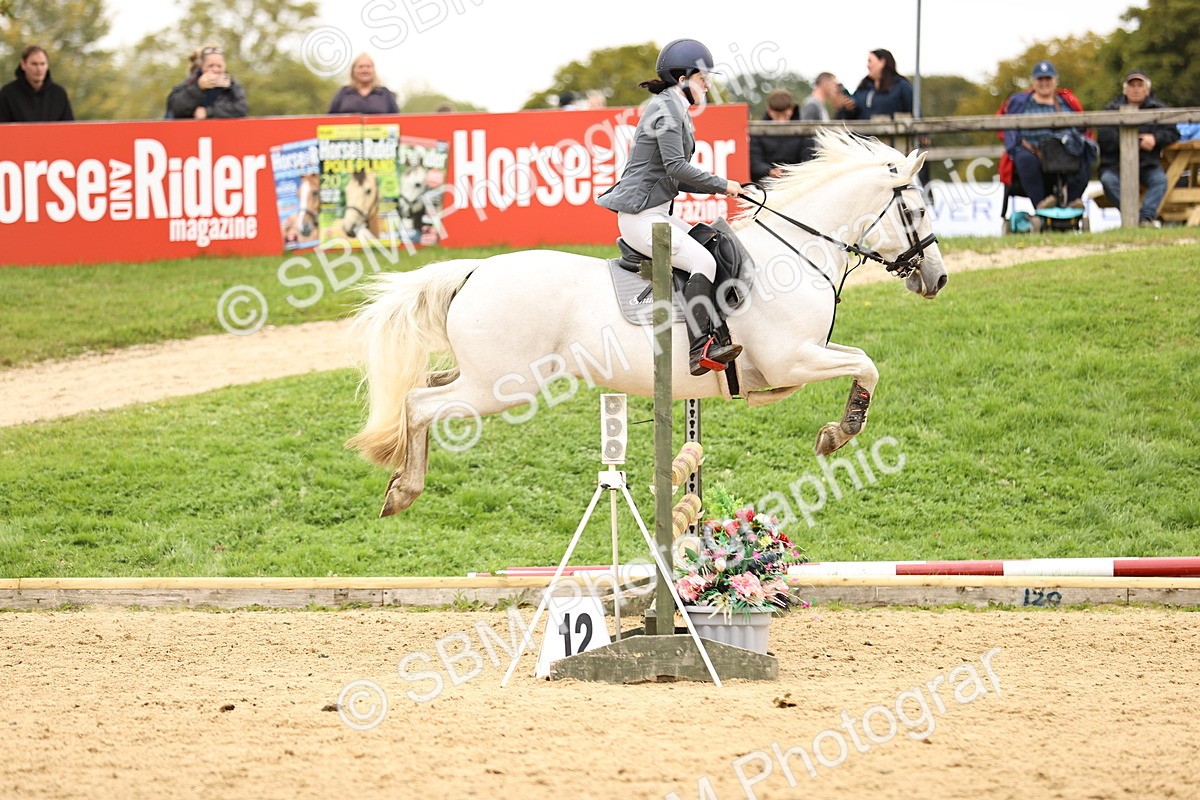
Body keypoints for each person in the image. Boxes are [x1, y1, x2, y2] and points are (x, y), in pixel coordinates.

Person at [595, 38, 744, 377]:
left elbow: (674, 178)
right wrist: (722, 185)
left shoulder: (673, 107)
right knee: (703, 260)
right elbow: (676, 167)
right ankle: (699, 351)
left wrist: (727, 190)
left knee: (709, 243)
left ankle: (713, 329)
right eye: (703, 78)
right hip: (640, 219)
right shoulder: (665, 109)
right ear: (683, 79)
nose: (707, 85)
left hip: (656, 214)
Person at [998, 60, 1093, 210]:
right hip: (1032, 149)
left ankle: (1073, 203)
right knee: (1024, 158)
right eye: (1040, 79)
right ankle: (1041, 205)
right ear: (1033, 81)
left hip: (1063, 149)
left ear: (1055, 80)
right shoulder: (1020, 102)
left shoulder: (1066, 102)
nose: (1044, 83)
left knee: (1086, 152)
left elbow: (1082, 127)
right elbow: (1006, 127)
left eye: (1048, 79)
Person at [1096, 70, 1180, 227]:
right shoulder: (1111, 110)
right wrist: (1134, 141)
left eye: (1139, 85)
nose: (1135, 89)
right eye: (1131, 85)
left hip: (1147, 165)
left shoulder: (1159, 109)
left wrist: (1155, 139)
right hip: (1116, 166)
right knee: (1108, 180)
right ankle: (1133, 216)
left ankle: (1145, 218)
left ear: (1147, 89)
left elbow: (1173, 132)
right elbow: (1104, 138)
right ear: (1125, 90)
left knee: (1160, 181)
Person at [167, 44, 248, 120]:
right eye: (210, 66)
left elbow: (242, 109)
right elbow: (176, 109)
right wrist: (198, 88)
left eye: (219, 66)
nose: (215, 70)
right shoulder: (190, 83)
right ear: (202, 67)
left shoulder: (233, 85)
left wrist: (208, 112)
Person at [0, 45, 73, 123]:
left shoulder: (59, 94)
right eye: (34, 64)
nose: (39, 69)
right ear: (23, 65)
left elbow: (70, 129)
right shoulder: (8, 93)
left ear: (47, 66)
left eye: (42, 64)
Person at [833, 49, 912, 120]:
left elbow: (914, 113)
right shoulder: (862, 89)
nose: (868, 65)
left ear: (882, 62)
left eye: (870, 61)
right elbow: (851, 117)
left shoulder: (901, 86)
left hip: (893, 135)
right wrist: (848, 109)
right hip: (862, 135)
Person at [750, 89, 804, 184]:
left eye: (785, 115)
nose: (781, 121)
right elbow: (754, 162)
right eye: (777, 115)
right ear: (769, 110)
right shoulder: (758, 131)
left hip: (797, 179)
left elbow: (808, 160)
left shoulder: (803, 131)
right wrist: (769, 171)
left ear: (791, 110)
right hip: (767, 180)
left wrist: (792, 173)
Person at [327, 53, 399, 114]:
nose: (365, 70)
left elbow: (397, 120)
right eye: (360, 67)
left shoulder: (385, 93)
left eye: (368, 66)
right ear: (353, 70)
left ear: (373, 70)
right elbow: (330, 119)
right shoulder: (343, 92)